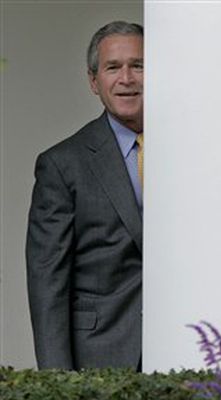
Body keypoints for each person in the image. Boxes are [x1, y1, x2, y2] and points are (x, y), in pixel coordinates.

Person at [26, 21, 144, 370]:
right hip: (101, 358)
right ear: (94, 82)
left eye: (138, 65)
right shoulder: (62, 165)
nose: (127, 78)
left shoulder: (194, 153)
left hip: (187, 349)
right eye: (113, 67)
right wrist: (59, 383)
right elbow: (48, 284)